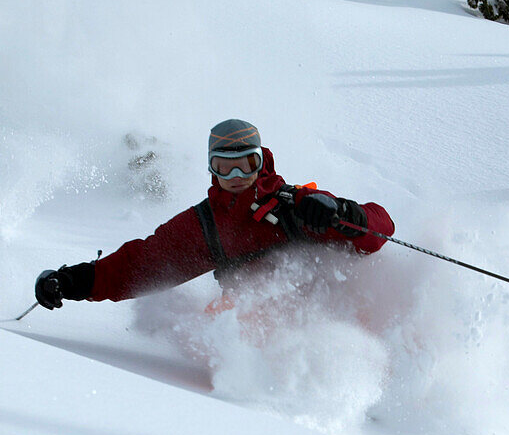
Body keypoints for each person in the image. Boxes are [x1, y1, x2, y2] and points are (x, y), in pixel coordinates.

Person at [35, 119, 395, 309]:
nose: (236, 178)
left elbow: (381, 228)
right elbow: (142, 265)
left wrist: (344, 215)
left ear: (262, 162)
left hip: (329, 308)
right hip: (258, 325)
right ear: (212, 169)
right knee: (225, 320)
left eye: (246, 166)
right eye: (225, 168)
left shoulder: (298, 205)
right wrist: (73, 282)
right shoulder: (206, 226)